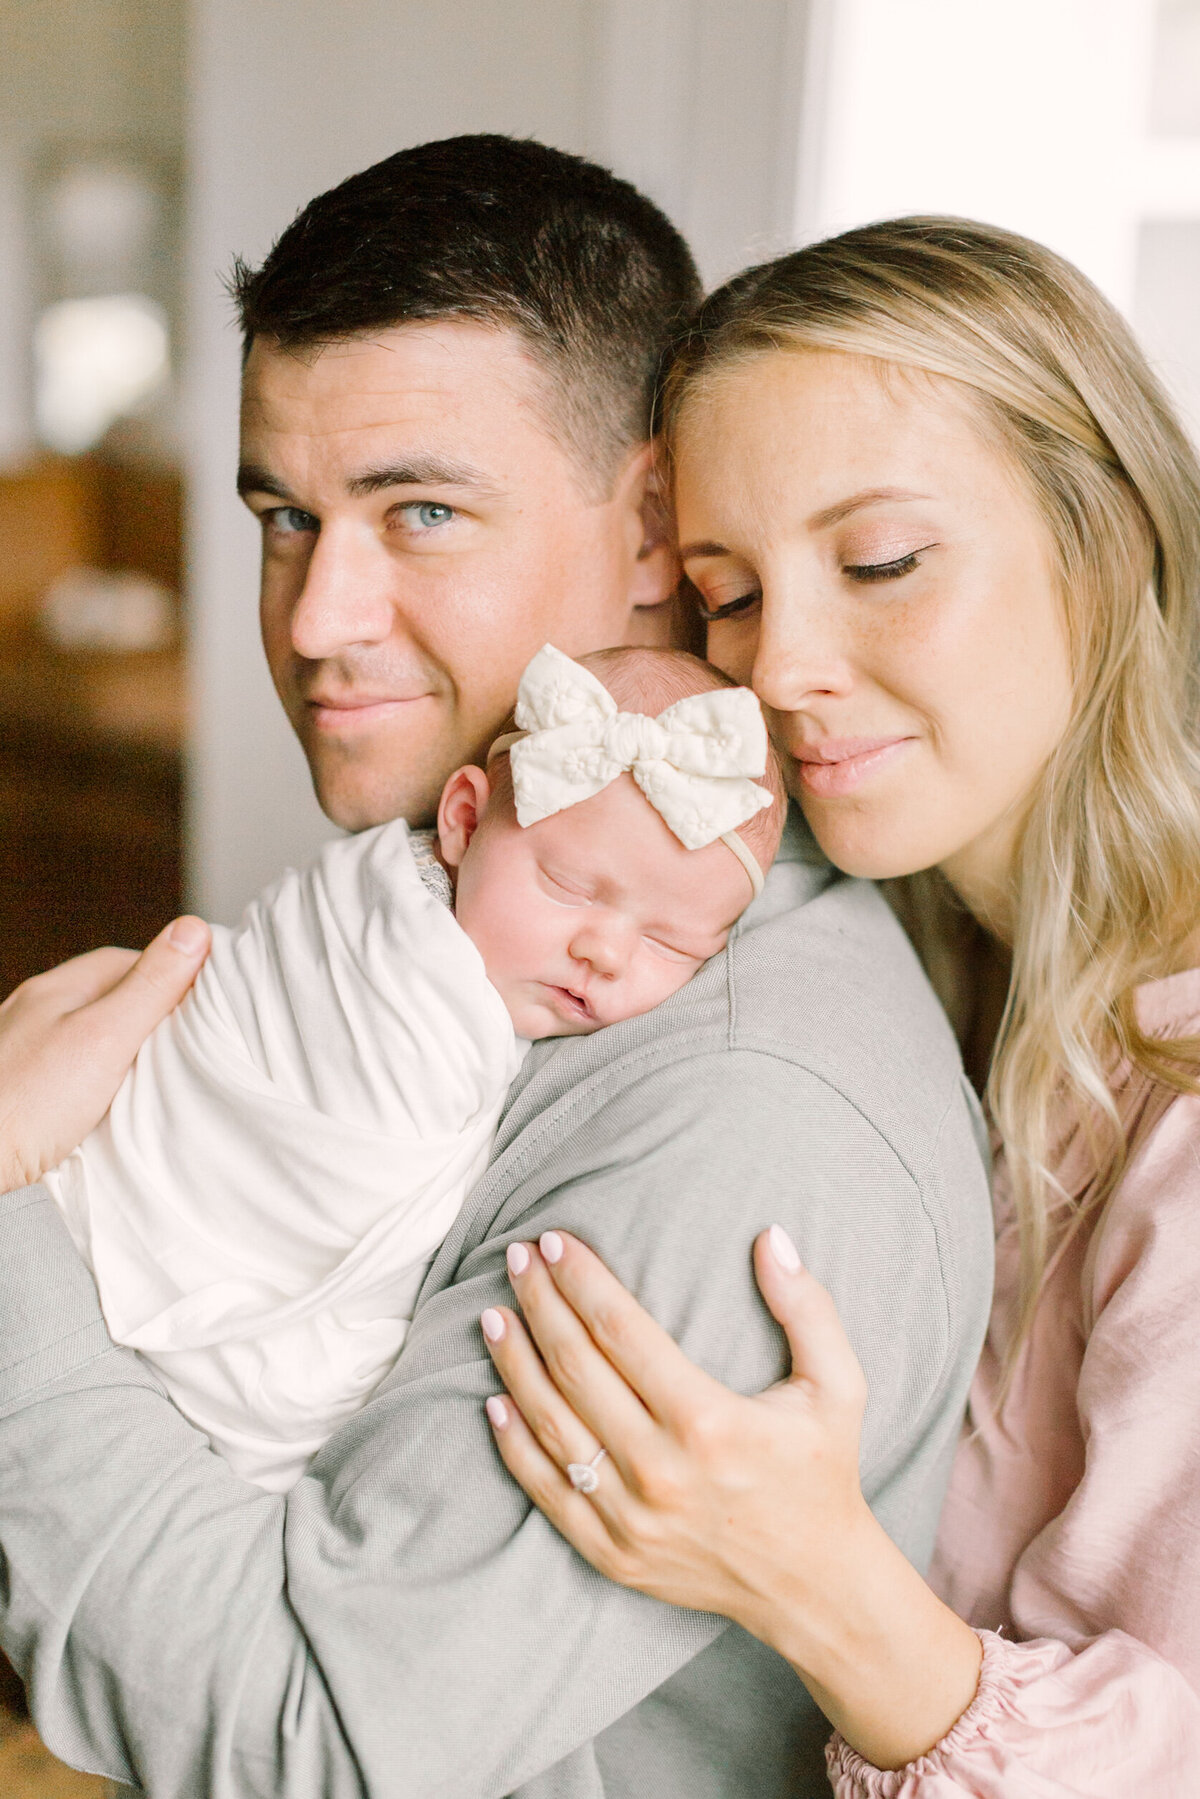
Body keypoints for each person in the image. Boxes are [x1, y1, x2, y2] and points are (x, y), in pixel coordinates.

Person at [0, 140, 993, 1797]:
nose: (317, 616)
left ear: (658, 526)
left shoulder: (735, 1107)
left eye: (425, 511)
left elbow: (314, 1728)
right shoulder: (453, 897)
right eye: (283, 517)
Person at [480, 217, 1200, 1794]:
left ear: (1112, 532)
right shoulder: (914, 960)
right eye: (730, 591)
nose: (780, 663)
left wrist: (810, 1571)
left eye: (880, 563)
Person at [44, 644, 784, 1493]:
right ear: (462, 823)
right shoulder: (382, 942)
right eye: (568, 884)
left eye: (668, 942)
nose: (606, 952)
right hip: (157, 1191)